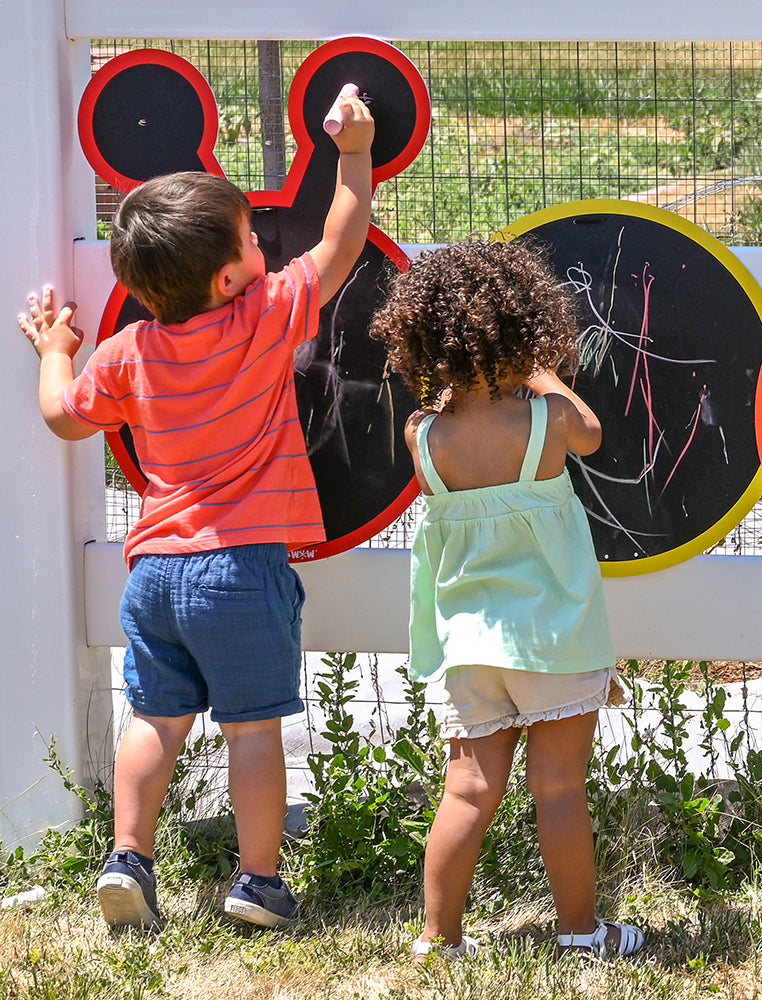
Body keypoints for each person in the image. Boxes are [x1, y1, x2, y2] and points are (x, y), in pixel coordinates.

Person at [17, 89, 374, 930]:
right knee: (252, 731)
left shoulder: (128, 352)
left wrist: (56, 350)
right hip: (241, 568)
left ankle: (129, 860)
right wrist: (352, 152)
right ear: (228, 275)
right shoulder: (262, 318)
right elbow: (341, 239)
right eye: (253, 241)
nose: (264, 247)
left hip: (155, 572)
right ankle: (257, 882)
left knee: (156, 719)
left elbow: (63, 415)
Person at [369, 239, 644, 960]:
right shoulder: (546, 423)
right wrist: (547, 377)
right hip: (554, 640)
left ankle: (440, 937)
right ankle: (582, 933)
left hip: (470, 647)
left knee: (465, 790)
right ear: (527, 332)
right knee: (557, 791)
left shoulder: (423, 436)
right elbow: (593, 433)